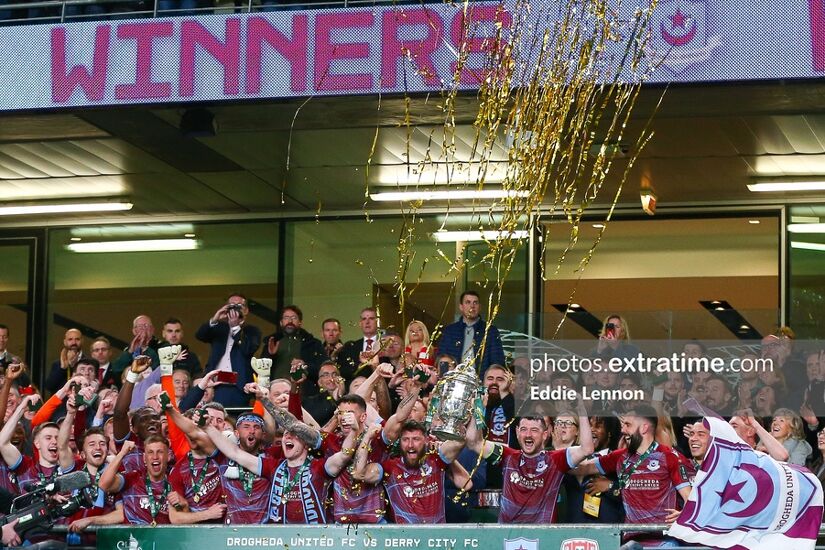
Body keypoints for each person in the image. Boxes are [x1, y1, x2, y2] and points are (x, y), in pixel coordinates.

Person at [574, 405, 692, 548]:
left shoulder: (669, 457)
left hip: (664, 541)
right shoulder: (620, 456)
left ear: (644, 428)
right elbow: (581, 468)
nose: (623, 430)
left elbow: (691, 500)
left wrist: (684, 515)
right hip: (632, 541)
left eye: (628, 425)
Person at [465, 398, 594, 523]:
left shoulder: (555, 460)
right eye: (523, 429)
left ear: (544, 435)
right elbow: (473, 442)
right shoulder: (507, 456)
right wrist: (478, 408)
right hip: (508, 537)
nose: (528, 435)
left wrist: (582, 412)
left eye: (534, 430)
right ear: (516, 432)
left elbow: (587, 449)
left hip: (543, 538)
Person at [352, 419, 466, 524]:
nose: (410, 445)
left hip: (436, 540)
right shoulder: (390, 468)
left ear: (426, 440)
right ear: (400, 442)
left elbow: (461, 440)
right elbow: (359, 473)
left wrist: (449, 428)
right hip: (405, 540)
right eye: (405, 439)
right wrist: (367, 437)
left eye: (416, 439)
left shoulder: (436, 460)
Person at [196, 293, 261, 407]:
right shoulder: (220, 327)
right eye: (231, 305)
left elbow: (248, 349)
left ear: (246, 310)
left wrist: (236, 328)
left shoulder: (252, 331)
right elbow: (200, 335)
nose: (235, 308)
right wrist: (215, 319)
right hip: (215, 384)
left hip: (238, 385)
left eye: (239, 305)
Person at [99, 436, 173, 525]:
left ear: (168, 456)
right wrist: (122, 453)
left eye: (160, 452)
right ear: (144, 458)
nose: (155, 457)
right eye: (150, 452)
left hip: (164, 537)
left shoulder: (174, 482)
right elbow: (103, 484)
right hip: (135, 537)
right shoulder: (133, 478)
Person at [436, 291, 504, 375]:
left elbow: (497, 361)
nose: (472, 306)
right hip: (453, 381)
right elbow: (442, 358)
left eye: (475, 302)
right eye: (468, 302)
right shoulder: (450, 331)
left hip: (481, 382)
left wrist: (490, 381)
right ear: (461, 307)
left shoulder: (490, 331)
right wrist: (444, 380)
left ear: (479, 307)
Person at [261, 305, 325, 389]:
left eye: (294, 318)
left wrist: (304, 366)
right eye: (286, 317)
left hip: (304, 392)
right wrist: (270, 354)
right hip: (275, 391)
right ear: (281, 322)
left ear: (300, 322)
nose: (290, 321)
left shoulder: (312, 343)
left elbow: (322, 369)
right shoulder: (272, 342)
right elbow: (261, 370)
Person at [337, 307, 382, 384]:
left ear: (377, 322)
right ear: (360, 324)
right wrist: (359, 366)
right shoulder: (350, 347)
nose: (367, 322)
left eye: (371, 318)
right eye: (364, 319)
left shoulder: (384, 344)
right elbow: (343, 372)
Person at [111, 315, 161, 381]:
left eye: (146, 325)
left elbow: (158, 370)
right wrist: (130, 352)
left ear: (152, 329)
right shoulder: (128, 350)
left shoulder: (161, 346)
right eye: (140, 326)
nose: (143, 328)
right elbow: (116, 369)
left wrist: (145, 348)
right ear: (134, 331)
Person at [44, 328, 84, 395]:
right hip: (61, 404)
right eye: (70, 339)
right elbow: (49, 386)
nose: (74, 342)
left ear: (82, 341)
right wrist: (63, 368)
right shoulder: (57, 364)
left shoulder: (89, 363)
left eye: (77, 339)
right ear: (65, 342)